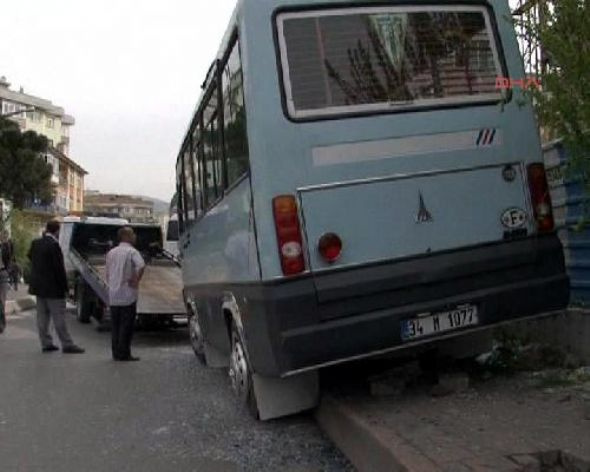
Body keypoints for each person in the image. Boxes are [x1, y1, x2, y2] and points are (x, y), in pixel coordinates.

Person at [28, 220, 84, 354]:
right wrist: (65, 288)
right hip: (53, 288)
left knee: (42, 317)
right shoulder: (54, 246)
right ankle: (67, 344)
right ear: (57, 231)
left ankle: (46, 343)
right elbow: (59, 269)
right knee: (59, 317)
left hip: (38, 287)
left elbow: (30, 256)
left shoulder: (36, 243)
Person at [106, 226, 145, 362]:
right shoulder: (132, 252)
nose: (135, 237)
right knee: (126, 326)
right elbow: (141, 265)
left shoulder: (111, 253)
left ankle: (116, 352)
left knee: (115, 325)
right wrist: (136, 279)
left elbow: (108, 272)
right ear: (126, 236)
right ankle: (124, 353)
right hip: (128, 294)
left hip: (113, 294)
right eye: (133, 234)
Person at [0, 229, 15, 333]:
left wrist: (8, 271)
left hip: (2, 273)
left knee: (1, 300)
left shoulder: (6, 245)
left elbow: (9, 258)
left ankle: (1, 325)